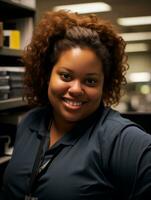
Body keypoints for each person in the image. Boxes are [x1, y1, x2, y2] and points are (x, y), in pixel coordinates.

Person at [0, 10, 151, 200]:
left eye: (90, 81)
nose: (76, 89)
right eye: (66, 76)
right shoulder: (30, 122)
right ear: (47, 75)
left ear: (105, 85)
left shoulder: (121, 139)